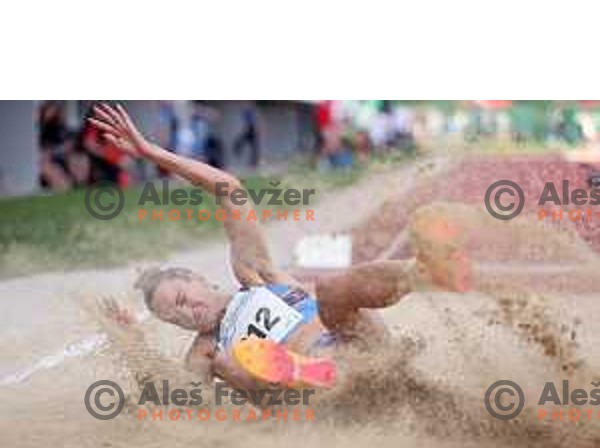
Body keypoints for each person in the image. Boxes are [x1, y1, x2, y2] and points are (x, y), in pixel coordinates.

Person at [88, 103, 474, 392]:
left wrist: (153, 154)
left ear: (196, 278)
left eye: (181, 297)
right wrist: (130, 345)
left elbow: (230, 191)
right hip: (313, 394)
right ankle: (307, 377)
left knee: (332, 290)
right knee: (229, 362)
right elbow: (179, 400)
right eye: (174, 316)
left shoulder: (255, 276)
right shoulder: (205, 350)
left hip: (353, 347)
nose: (186, 311)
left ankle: (424, 271)